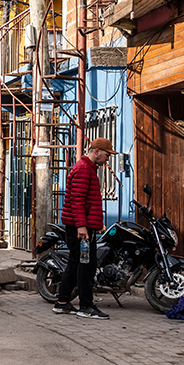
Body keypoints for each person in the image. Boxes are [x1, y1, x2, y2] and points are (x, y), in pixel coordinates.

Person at [54, 137, 116, 320]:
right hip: (80, 229)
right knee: (86, 266)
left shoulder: (87, 168)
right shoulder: (83, 169)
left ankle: (63, 302)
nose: (107, 160)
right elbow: (77, 201)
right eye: (106, 155)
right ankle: (86, 306)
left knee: (75, 264)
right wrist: (82, 226)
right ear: (96, 152)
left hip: (81, 227)